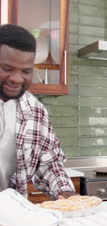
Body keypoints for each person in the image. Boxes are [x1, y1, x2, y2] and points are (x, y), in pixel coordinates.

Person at [0, 24, 75, 199]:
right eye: (7, 68)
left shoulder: (34, 110)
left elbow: (49, 163)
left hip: (10, 216)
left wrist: (66, 193)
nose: (17, 79)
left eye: (26, 71)